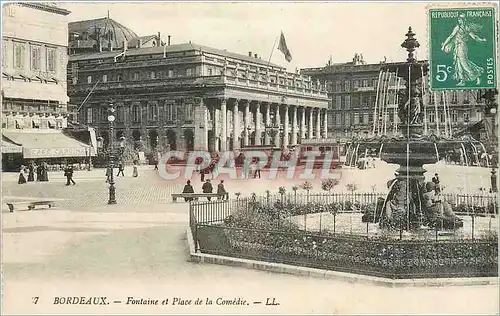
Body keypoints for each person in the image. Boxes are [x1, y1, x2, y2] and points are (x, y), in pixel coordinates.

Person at [441, 13, 486, 86]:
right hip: (457, 46)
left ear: (463, 20)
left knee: (463, 63)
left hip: (462, 46)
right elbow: (451, 36)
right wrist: (444, 45)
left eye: (460, 19)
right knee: (458, 63)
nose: (459, 20)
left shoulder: (465, 27)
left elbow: (474, 37)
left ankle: (477, 75)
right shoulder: (458, 27)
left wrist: (481, 40)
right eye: (458, 19)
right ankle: (462, 80)